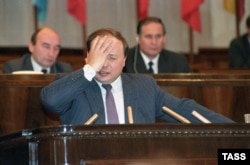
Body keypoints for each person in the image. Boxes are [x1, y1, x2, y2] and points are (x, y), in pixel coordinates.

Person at [40, 28, 234, 125]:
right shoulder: (73, 85)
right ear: (87, 58)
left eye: (112, 58)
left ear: (125, 60)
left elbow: (183, 109)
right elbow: (50, 101)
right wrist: (90, 69)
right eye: (99, 58)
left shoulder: (144, 86)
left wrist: (235, 130)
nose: (104, 65)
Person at [123, 16, 192, 73]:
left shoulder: (178, 61)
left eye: (158, 36)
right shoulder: (125, 60)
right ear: (138, 39)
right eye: (148, 37)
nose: (154, 42)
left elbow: (192, 88)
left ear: (164, 38)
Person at [3, 27, 72, 74]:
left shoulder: (64, 71)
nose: (51, 54)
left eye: (56, 48)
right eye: (46, 46)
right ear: (31, 46)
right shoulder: (14, 69)